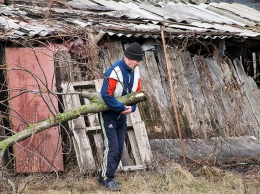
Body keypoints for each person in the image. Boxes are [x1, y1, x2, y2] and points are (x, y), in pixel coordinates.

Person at [98, 42, 144, 191]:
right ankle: (106, 179)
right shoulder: (115, 70)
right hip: (109, 114)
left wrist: (132, 108)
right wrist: (120, 107)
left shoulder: (135, 71)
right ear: (128, 58)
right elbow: (106, 94)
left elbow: (137, 94)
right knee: (112, 147)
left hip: (122, 114)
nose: (138, 63)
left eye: (139, 61)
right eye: (137, 60)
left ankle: (107, 176)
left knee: (118, 149)